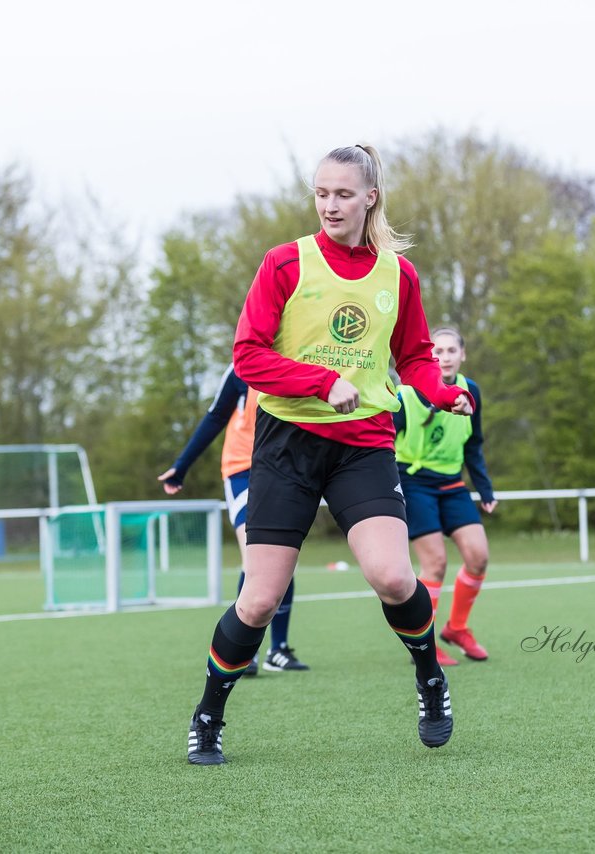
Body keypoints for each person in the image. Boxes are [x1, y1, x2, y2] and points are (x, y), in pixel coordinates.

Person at [186, 144, 473, 765]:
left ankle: (430, 681)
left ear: (370, 197)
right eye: (321, 193)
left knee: (394, 576)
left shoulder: (399, 274)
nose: (330, 205)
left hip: (364, 443)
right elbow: (249, 356)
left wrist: (441, 393)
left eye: (343, 194)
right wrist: (321, 382)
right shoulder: (285, 263)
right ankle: (209, 714)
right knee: (259, 599)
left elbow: (416, 354)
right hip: (287, 443)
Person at [158, 364, 309, 675]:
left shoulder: (306, 359)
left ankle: (278, 649)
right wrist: (182, 465)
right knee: (256, 556)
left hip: (285, 469)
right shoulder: (243, 367)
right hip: (243, 470)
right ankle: (246, 650)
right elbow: (215, 416)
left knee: (284, 560)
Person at [393, 327, 496, 666]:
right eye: (437, 351)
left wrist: (484, 489)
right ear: (428, 355)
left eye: (452, 350)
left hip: (452, 485)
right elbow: (382, 444)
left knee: (478, 555)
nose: (444, 357)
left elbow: (474, 444)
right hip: (413, 483)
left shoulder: (472, 391)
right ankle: (424, 643)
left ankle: (457, 628)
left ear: (462, 355)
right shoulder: (407, 394)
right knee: (434, 563)